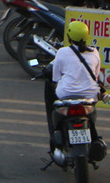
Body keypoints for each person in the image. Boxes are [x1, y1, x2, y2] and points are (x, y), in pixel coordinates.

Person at [44, 20, 104, 157]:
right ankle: (93, 135)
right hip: (90, 97)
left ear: (69, 36)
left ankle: (54, 132)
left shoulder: (62, 52)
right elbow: (95, 76)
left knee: (51, 94)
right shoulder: (94, 52)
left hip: (66, 95)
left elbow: (55, 78)